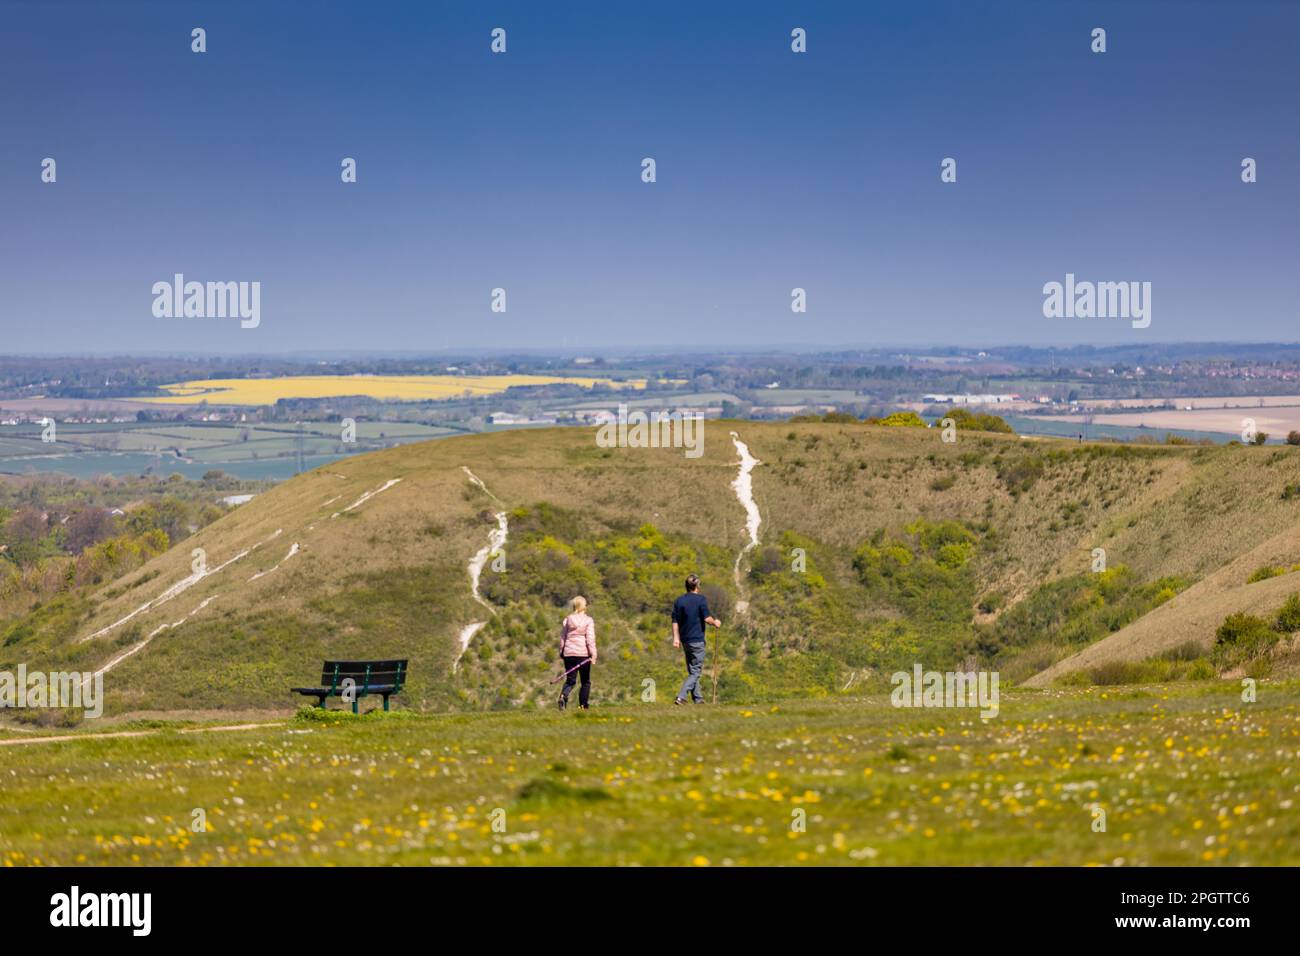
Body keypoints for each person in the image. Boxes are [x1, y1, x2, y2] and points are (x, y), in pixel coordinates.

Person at [671, 574, 721, 704]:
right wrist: (715, 622)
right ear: (697, 586)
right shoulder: (701, 600)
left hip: (685, 641)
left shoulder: (679, 601)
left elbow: (675, 621)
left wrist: (676, 638)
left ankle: (698, 699)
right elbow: (706, 618)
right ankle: (681, 697)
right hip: (697, 640)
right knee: (696, 672)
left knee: (693, 670)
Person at [558, 595, 596, 711]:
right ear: (584, 606)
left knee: (571, 680)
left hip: (569, 654)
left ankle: (563, 696)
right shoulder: (588, 620)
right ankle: (583, 706)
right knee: (585, 681)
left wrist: (562, 652)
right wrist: (593, 654)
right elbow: (590, 639)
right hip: (583, 655)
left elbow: (563, 637)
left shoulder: (568, 619)